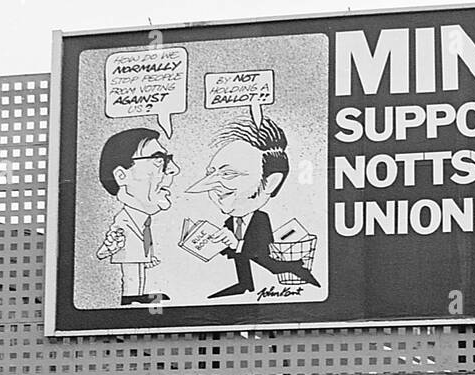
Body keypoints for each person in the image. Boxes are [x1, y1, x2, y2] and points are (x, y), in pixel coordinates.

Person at [186, 117, 319, 298]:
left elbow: (261, 249)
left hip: (264, 258)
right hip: (242, 255)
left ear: (270, 183)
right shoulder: (230, 219)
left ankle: (295, 267)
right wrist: (207, 241)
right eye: (210, 174)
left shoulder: (260, 219)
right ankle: (244, 284)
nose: (212, 185)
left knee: (271, 267)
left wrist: (236, 243)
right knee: (241, 262)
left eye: (228, 174)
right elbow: (228, 245)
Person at [95, 128, 178, 305]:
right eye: (158, 160)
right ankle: (129, 297)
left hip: (138, 254)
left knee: (138, 271)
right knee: (131, 272)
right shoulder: (123, 220)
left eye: (166, 160)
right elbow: (109, 244)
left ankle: (137, 295)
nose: (173, 169)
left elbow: (144, 236)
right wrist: (106, 249)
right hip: (128, 254)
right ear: (121, 175)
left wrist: (150, 255)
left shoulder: (143, 220)